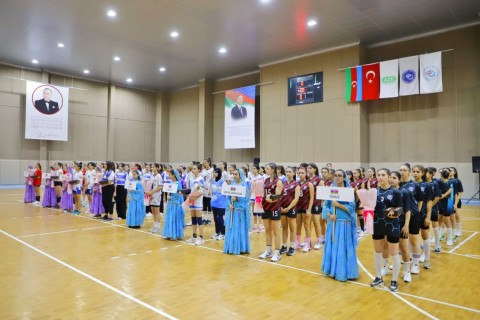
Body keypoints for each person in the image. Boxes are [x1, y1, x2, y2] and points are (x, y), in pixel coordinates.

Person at [370, 168, 404, 292]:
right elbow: (368, 208)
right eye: (378, 175)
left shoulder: (396, 192)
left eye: (383, 175)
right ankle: (378, 277)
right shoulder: (373, 192)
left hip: (392, 226)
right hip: (377, 225)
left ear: (389, 176)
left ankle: (394, 280)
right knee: (377, 252)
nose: (380, 177)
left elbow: (400, 211)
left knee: (394, 254)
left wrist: (386, 213)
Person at [321, 169, 358, 282]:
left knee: (343, 247)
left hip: (344, 224)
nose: (337, 177)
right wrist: (330, 214)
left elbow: (352, 208)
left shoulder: (348, 191)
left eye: (339, 175)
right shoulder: (331, 190)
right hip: (333, 223)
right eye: (335, 175)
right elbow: (325, 205)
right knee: (333, 246)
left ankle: (344, 272)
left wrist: (339, 205)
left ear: (344, 178)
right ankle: (332, 270)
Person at [259, 163, 283, 262]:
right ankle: (268, 250)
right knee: (267, 230)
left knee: (276, 231)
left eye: (267, 168)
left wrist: (271, 199)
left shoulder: (279, 181)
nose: (266, 170)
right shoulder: (266, 180)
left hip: (275, 208)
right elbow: (263, 193)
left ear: (273, 170)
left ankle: (277, 252)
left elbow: (278, 196)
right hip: (265, 207)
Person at [224, 168, 251, 255]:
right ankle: (231, 247)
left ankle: (240, 248)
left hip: (240, 212)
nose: (234, 176)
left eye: (236, 174)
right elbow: (228, 197)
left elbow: (246, 200)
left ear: (240, 175)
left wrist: (237, 199)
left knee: (240, 229)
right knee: (231, 229)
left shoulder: (244, 185)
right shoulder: (232, 184)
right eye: (233, 174)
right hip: (232, 211)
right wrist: (229, 204)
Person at [279, 166, 299, 256]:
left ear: (294, 173)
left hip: (292, 209)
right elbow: (279, 196)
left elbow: (296, 199)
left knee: (292, 228)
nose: (288, 173)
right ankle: (284, 246)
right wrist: (280, 206)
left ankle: (292, 247)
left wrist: (289, 208)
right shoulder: (282, 183)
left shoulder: (296, 184)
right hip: (282, 208)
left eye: (290, 171)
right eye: (287, 171)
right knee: (284, 228)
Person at [162, 169, 185, 240]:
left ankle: (174, 234)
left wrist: (170, 197)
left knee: (174, 219)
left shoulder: (178, 184)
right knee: (169, 218)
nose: (168, 176)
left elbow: (178, 196)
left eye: (170, 174)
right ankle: (169, 234)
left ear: (174, 175)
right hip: (170, 204)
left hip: (175, 204)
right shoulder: (171, 183)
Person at [211, 167, 227, 240]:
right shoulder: (213, 181)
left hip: (221, 203)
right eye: (213, 172)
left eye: (215, 172)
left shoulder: (223, 182)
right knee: (215, 218)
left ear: (219, 173)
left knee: (220, 218)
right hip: (214, 203)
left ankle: (223, 233)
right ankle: (217, 232)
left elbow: (225, 192)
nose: (214, 173)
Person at [148, 163, 163, 233]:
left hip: (156, 195)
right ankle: (155, 225)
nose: (152, 168)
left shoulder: (159, 176)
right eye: (152, 167)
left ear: (157, 168)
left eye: (153, 167)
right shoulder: (152, 176)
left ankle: (158, 226)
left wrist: (152, 192)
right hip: (152, 195)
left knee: (157, 211)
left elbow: (160, 187)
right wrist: (149, 193)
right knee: (153, 210)